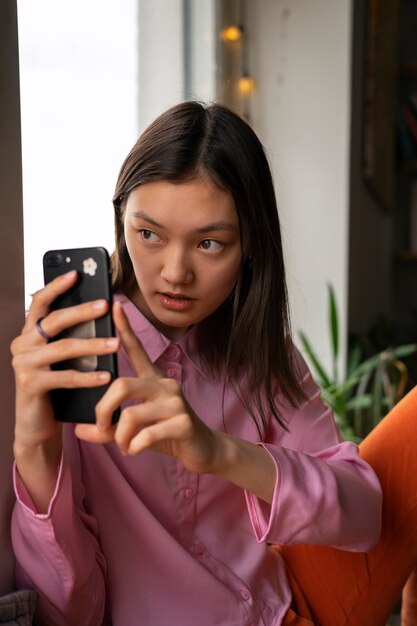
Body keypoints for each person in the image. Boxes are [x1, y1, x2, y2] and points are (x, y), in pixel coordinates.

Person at [9, 101, 417, 626]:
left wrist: (219, 451)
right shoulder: (67, 351)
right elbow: (69, 610)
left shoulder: (262, 353)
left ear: (249, 246)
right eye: (149, 234)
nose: (175, 273)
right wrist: (35, 447)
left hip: (283, 604)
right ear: (121, 221)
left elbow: (363, 513)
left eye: (209, 243)